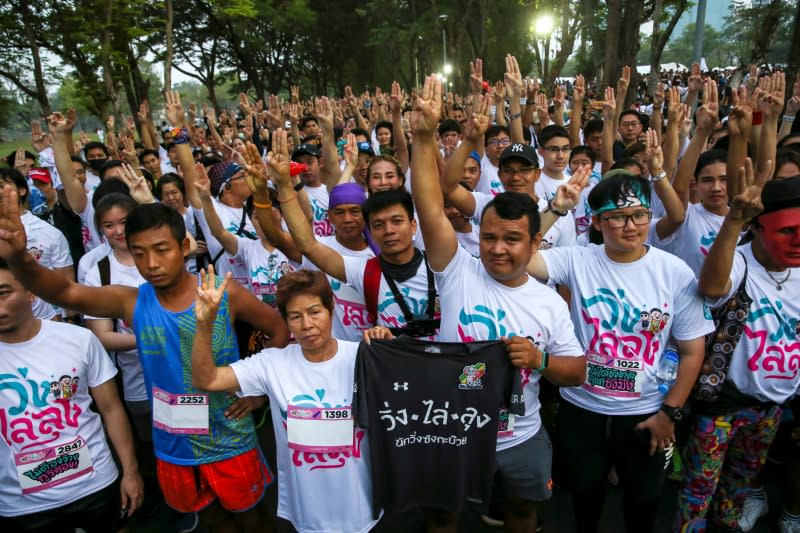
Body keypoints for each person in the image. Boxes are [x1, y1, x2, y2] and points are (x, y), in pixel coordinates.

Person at [0, 186, 290, 532]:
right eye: (139, 253)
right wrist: (20, 258)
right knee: (211, 520)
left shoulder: (225, 294)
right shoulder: (132, 301)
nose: (151, 264)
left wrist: (257, 394)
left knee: (253, 519)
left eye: (161, 250)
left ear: (184, 247)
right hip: (173, 443)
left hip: (229, 438)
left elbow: (279, 331)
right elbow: (64, 292)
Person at [410, 74, 586, 533]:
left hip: (520, 436)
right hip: (449, 428)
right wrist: (424, 137)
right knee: (442, 516)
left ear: (535, 243)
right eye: (489, 238)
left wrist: (540, 359)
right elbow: (429, 202)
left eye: (512, 239)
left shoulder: (548, 306)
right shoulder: (457, 271)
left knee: (521, 514)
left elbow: (576, 370)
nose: (498, 249)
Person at [525, 172, 714, 532]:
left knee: (644, 501)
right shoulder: (577, 260)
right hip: (581, 408)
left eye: (639, 214)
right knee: (585, 496)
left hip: (647, 413)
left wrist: (669, 413)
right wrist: (554, 209)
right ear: (596, 221)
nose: (631, 226)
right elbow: (523, 256)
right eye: (617, 217)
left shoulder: (674, 272)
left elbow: (692, 351)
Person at [191, 268, 380, 533]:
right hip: (306, 510)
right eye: (295, 316)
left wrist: (387, 349)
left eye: (314, 312)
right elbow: (207, 380)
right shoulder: (273, 363)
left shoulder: (364, 356)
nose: (307, 325)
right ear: (287, 321)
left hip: (359, 505)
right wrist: (204, 324)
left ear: (331, 308)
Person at [677, 164, 800, 532]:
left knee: (738, 487)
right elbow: (712, 288)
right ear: (758, 228)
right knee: (698, 493)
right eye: (787, 231)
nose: (797, 241)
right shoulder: (738, 265)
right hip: (722, 408)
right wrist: (732, 221)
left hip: (771, 409)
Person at [0, 258, 143, 532]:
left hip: (96, 485)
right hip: (21, 505)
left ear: (31, 292)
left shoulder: (78, 340)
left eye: (3, 293)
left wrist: (131, 471)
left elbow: (111, 409)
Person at [270, 129, 440, 339]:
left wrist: (424, 136)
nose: (389, 231)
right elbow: (309, 246)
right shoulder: (365, 272)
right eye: (378, 225)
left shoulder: (442, 268)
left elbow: (435, 200)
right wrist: (285, 187)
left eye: (397, 221)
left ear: (413, 226)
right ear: (369, 229)